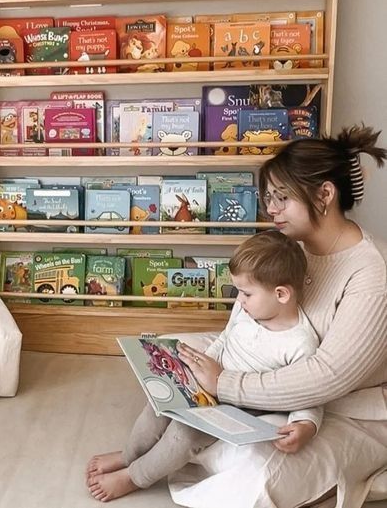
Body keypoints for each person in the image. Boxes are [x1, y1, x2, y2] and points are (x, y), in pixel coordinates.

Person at [88, 124, 387, 508]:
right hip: (273, 366)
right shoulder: (291, 246)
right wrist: (212, 364)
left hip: (344, 404)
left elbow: (329, 377)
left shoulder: (370, 274)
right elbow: (245, 314)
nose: (270, 209)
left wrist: (225, 384)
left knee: (259, 478)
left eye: (282, 198)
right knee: (173, 355)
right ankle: (141, 454)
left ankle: (167, 453)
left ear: (325, 194)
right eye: (268, 197)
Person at [87, 229, 323, 502]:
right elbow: (226, 338)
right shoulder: (248, 309)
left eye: (246, 293)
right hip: (209, 383)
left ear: (281, 294)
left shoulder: (300, 342)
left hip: (241, 406)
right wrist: (198, 366)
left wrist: (306, 424)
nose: (240, 299)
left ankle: (135, 476)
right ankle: (129, 455)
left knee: (183, 434)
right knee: (157, 406)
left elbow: (309, 391)